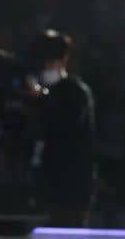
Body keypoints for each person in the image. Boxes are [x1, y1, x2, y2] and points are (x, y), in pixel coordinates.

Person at [28, 29, 95, 227]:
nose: (48, 66)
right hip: (44, 185)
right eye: (45, 61)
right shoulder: (38, 93)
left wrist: (42, 99)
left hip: (70, 188)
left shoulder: (76, 92)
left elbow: (64, 127)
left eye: (53, 60)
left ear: (64, 60)